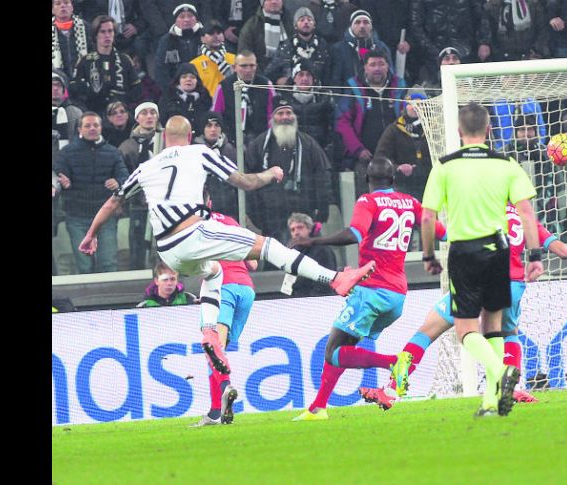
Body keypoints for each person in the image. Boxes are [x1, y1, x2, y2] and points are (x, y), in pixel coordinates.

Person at [78, 115, 376, 380]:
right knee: (269, 246)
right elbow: (245, 182)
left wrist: (91, 234)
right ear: (191, 135)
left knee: (214, 272)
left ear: (164, 137)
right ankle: (336, 278)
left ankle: (210, 333)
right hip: (193, 232)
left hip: (167, 250)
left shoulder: (146, 167)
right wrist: (271, 173)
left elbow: (113, 202)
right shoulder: (200, 152)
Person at [360, 203, 567, 409]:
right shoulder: (525, 217)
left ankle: (392, 390)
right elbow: (563, 251)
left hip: (479, 281)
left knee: (428, 330)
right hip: (512, 286)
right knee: (509, 333)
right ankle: (510, 388)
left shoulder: (484, 207)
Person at [291, 157, 447, 421]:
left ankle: (394, 362)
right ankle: (318, 408)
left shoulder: (368, 201)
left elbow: (354, 234)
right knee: (343, 348)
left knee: (333, 352)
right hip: (397, 295)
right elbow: (441, 232)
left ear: (366, 179)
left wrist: (312, 241)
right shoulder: (410, 202)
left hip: (371, 290)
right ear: (393, 179)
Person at [418, 102, 544, 417]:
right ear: (489, 130)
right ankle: (490, 402)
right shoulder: (506, 163)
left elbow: (428, 217)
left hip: (464, 251)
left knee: (465, 330)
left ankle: (500, 373)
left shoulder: (445, 166)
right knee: (494, 327)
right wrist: (535, 255)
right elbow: (526, 213)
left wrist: (429, 254)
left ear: (459, 131)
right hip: (499, 251)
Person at [192, 190, 259, 427]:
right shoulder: (229, 221)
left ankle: (225, 391)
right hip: (246, 289)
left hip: (222, 288)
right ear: (210, 202)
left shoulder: (192, 227)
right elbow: (253, 262)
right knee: (217, 352)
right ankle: (214, 412)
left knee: (213, 348)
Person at [244, 97, 333, 241]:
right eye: (280, 113)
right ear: (272, 117)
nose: (285, 117)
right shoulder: (258, 146)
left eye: (288, 113)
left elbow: (322, 177)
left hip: (303, 216)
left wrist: (322, 211)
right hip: (271, 218)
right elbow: (248, 180)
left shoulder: (309, 144)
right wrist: (255, 215)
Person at [56, 111, 129, 274]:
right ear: (79, 129)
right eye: (87, 125)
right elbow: (59, 173)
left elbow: (125, 176)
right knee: (84, 267)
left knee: (109, 264)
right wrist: (64, 181)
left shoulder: (113, 152)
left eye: (95, 125)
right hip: (77, 217)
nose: (92, 128)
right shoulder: (67, 152)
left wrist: (118, 182)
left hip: (105, 218)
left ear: (101, 128)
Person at [334, 49, 406, 189]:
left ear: (388, 66)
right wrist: (357, 149)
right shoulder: (354, 89)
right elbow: (342, 122)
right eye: (372, 65)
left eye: (381, 64)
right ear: (365, 68)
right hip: (365, 160)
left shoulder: (399, 87)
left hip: (396, 160)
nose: (377, 68)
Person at [118, 102, 162, 270]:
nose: (149, 116)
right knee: (138, 245)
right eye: (144, 113)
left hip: (163, 204)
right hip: (138, 205)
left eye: (152, 112)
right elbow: (123, 175)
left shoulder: (166, 141)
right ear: (137, 118)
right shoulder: (127, 146)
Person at [69, 15, 141, 115]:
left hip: (120, 112)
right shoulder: (85, 61)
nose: (107, 35)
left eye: (110, 31)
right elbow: (74, 89)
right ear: (95, 35)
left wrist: (123, 101)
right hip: (94, 112)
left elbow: (137, 88)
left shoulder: (124, 59)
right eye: (102, 32)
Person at [211, 49, 275, 145]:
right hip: (230, 139)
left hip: (260, 139)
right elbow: (216, 115)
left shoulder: (266, 85)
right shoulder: (223, 87)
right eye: (244, 66)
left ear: (256, 66)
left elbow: (272, 115)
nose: (248, 70)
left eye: (252, 66)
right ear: (234, 67)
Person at [264, 7, 332, 86]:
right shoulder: (285, 47)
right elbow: (269, 73)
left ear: (314, 25)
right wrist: (278, 80)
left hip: (317, 91)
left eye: (309, 20)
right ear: (295, 25)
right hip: (290, 91)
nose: (306, 22)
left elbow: (330, 73)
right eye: (302, 20)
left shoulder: (323, 46)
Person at [328, 9, 394, 89]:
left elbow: (391, 76)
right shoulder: (338, 49)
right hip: (349, 94)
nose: (362, 26)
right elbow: (335, 81)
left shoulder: (381, 47)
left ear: (371, 26)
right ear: (351, 26)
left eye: (366, 22)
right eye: (357, 22)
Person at [154, 4, 204, 91]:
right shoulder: (166, 40)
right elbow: (160, 70)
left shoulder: (205, 36)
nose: (186, 19)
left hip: (204, 86)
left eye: (190, 16)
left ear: (196, 19)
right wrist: (171, 91)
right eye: (182, 16)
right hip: (175, 89)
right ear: (175, 21)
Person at [285, 212, 337, 297]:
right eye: (292, 230)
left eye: (300, 227)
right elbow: (288, 285)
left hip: (316, 301)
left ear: (309, 229)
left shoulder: (322, 251)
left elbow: (324, 286)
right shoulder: (293, 252)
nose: (296, 232)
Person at [238, 0, 294, 70]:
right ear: (262, 3)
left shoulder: (290, 22)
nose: (274, 2)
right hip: (259, 73)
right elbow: (245, 58)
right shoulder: (251, 26)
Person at [158, 63, 213, 134]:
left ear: (197, 80)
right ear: (178, 80)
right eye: (184, 77)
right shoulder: (168, 98)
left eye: (192, 77)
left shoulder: (205, 99)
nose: (188, 79)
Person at [190, 20, 236, 98]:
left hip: (231, 101)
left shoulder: (235, 59)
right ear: (202, 38)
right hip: (207, 104)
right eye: (211, 33)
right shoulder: (194, 64)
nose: (216, 36)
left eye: (219, 33)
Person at [52, 0, 88, 78]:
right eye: (58, 3)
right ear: (53, 10)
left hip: (83, 78)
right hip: (56, 80)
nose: (62, 6)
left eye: (66, 2)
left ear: (72, 7)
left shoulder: (85, 27)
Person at [52, 69, 83, 150]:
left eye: (58, 85)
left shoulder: (76, 113)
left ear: (64, 89)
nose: (55, 88)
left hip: (70, 155)